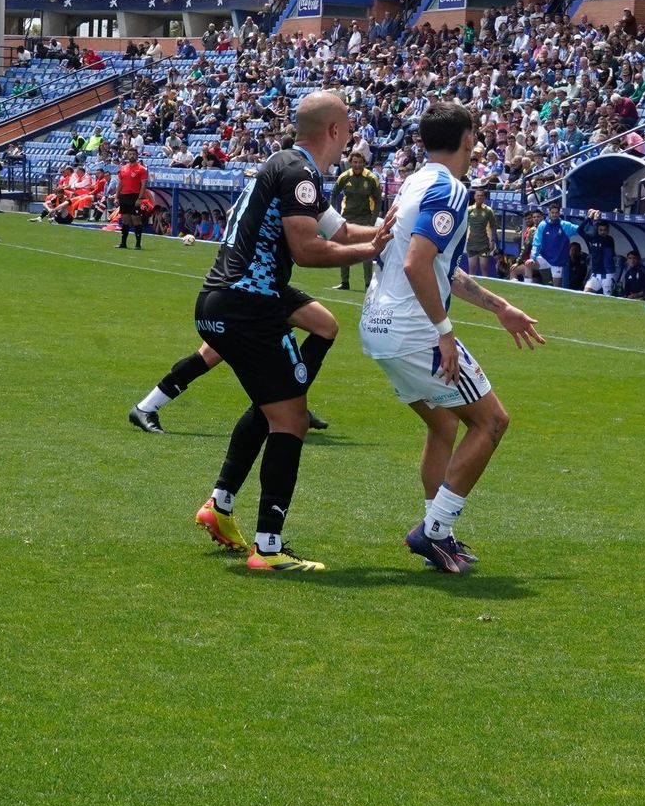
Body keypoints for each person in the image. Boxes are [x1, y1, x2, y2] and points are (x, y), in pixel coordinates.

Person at [188, 92, 393, 573]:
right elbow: (307, 249)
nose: (350, 139)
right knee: (290, 420)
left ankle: (221, 505)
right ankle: (268, 548)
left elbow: (341, 233)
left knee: (280, 402)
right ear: (335, 131)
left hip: (226, 300)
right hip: (250, 304)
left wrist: (391, 230)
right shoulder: (300, 174)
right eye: (348, 129)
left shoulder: (288, 166)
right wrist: (373, 253)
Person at [359, 102, 545, 574]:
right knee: (492, 422)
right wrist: (445, 333)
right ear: (468, 139)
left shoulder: (412, 183)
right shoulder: (450, 189)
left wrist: (500, 307)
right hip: (413, 330)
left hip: (379, 326)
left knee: (443, 425)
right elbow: (416, 264)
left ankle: (437, 535)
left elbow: (438, 266)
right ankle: (434, 530)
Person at [331, 148, 381, 290]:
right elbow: (333, 195)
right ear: (350, 163)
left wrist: (372, 221)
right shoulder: (344, 176)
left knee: (367, 251)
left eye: (360, 162)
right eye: (354, 162)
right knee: (343, 250)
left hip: (365, 218)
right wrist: (335, 214)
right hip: (347, 218)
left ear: (364, 163)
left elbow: (378, 201)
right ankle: (344, 282)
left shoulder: (372, 178)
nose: (357, 165)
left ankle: (368, 284)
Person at [115, 148, 150, 248]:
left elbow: (143, 185)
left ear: (137, 156)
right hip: (124, 196)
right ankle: (123, 243)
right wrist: (117, 197)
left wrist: (140, 198)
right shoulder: (123, 168)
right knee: (125, 220)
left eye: (134, 154)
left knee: (136, 220)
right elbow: (120, 184)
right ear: (127, 155)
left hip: (135, 196)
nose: (132, 156)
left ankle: (138, 244)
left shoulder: (142, 169)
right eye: (130, 154)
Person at [464, 185, 498, 276]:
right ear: (474, 196)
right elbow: (463, 225)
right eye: (478, 195)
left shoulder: (489, 211)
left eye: (481, 195)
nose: (479, 197)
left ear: (484, 197)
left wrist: (493, 241)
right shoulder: (469, 210)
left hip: (484, 244)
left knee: (484, 267)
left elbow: (493, 226)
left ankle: (485, 285)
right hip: (471, 243)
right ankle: (471, 285)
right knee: (472, 269)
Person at [580, 212, 617, 294]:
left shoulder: (609, 240)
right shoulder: (593, 238)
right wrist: (588, 218)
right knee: (586, 293)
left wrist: (596, 221)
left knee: (607, 298)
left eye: (605, 230)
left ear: (608, 231)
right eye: (600, 230)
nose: (603, 232)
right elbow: (580, 231)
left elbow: (599, 239)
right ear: (597, 230)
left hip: (607, 275)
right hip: (596, 274)